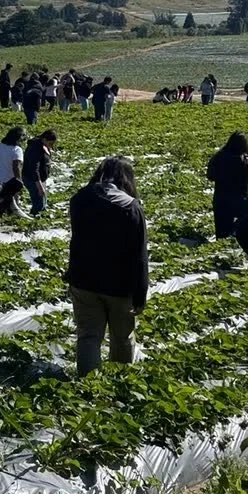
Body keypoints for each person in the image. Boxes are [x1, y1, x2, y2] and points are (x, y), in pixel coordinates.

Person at [66, 156, 148, 377]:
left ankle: (87, 384)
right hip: (119, 285)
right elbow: (139, 255)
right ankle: (118, 381)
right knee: (122, 337)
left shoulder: (80, 199)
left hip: (83, 279)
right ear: (127, 179)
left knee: (88, 335)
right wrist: (140, 294)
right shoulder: (130, 207)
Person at [206, 132, 248, 238]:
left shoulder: (218, 157)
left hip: (221, 199)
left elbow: (210, 175)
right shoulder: (245, 160)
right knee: (245, 230)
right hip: (241, 200)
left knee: (221, 233)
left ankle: (220, 249)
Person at [22, 129, 57, 216]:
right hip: (32, 179)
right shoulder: (35, 149)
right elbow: (34, 169)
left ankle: (40, 216)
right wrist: (40, 186)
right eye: (50, 143)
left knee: (42, 201)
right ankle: (34, 218)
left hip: (40, 179)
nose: (51, 146)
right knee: (38, 204)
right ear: (44, 139)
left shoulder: (42, 144)